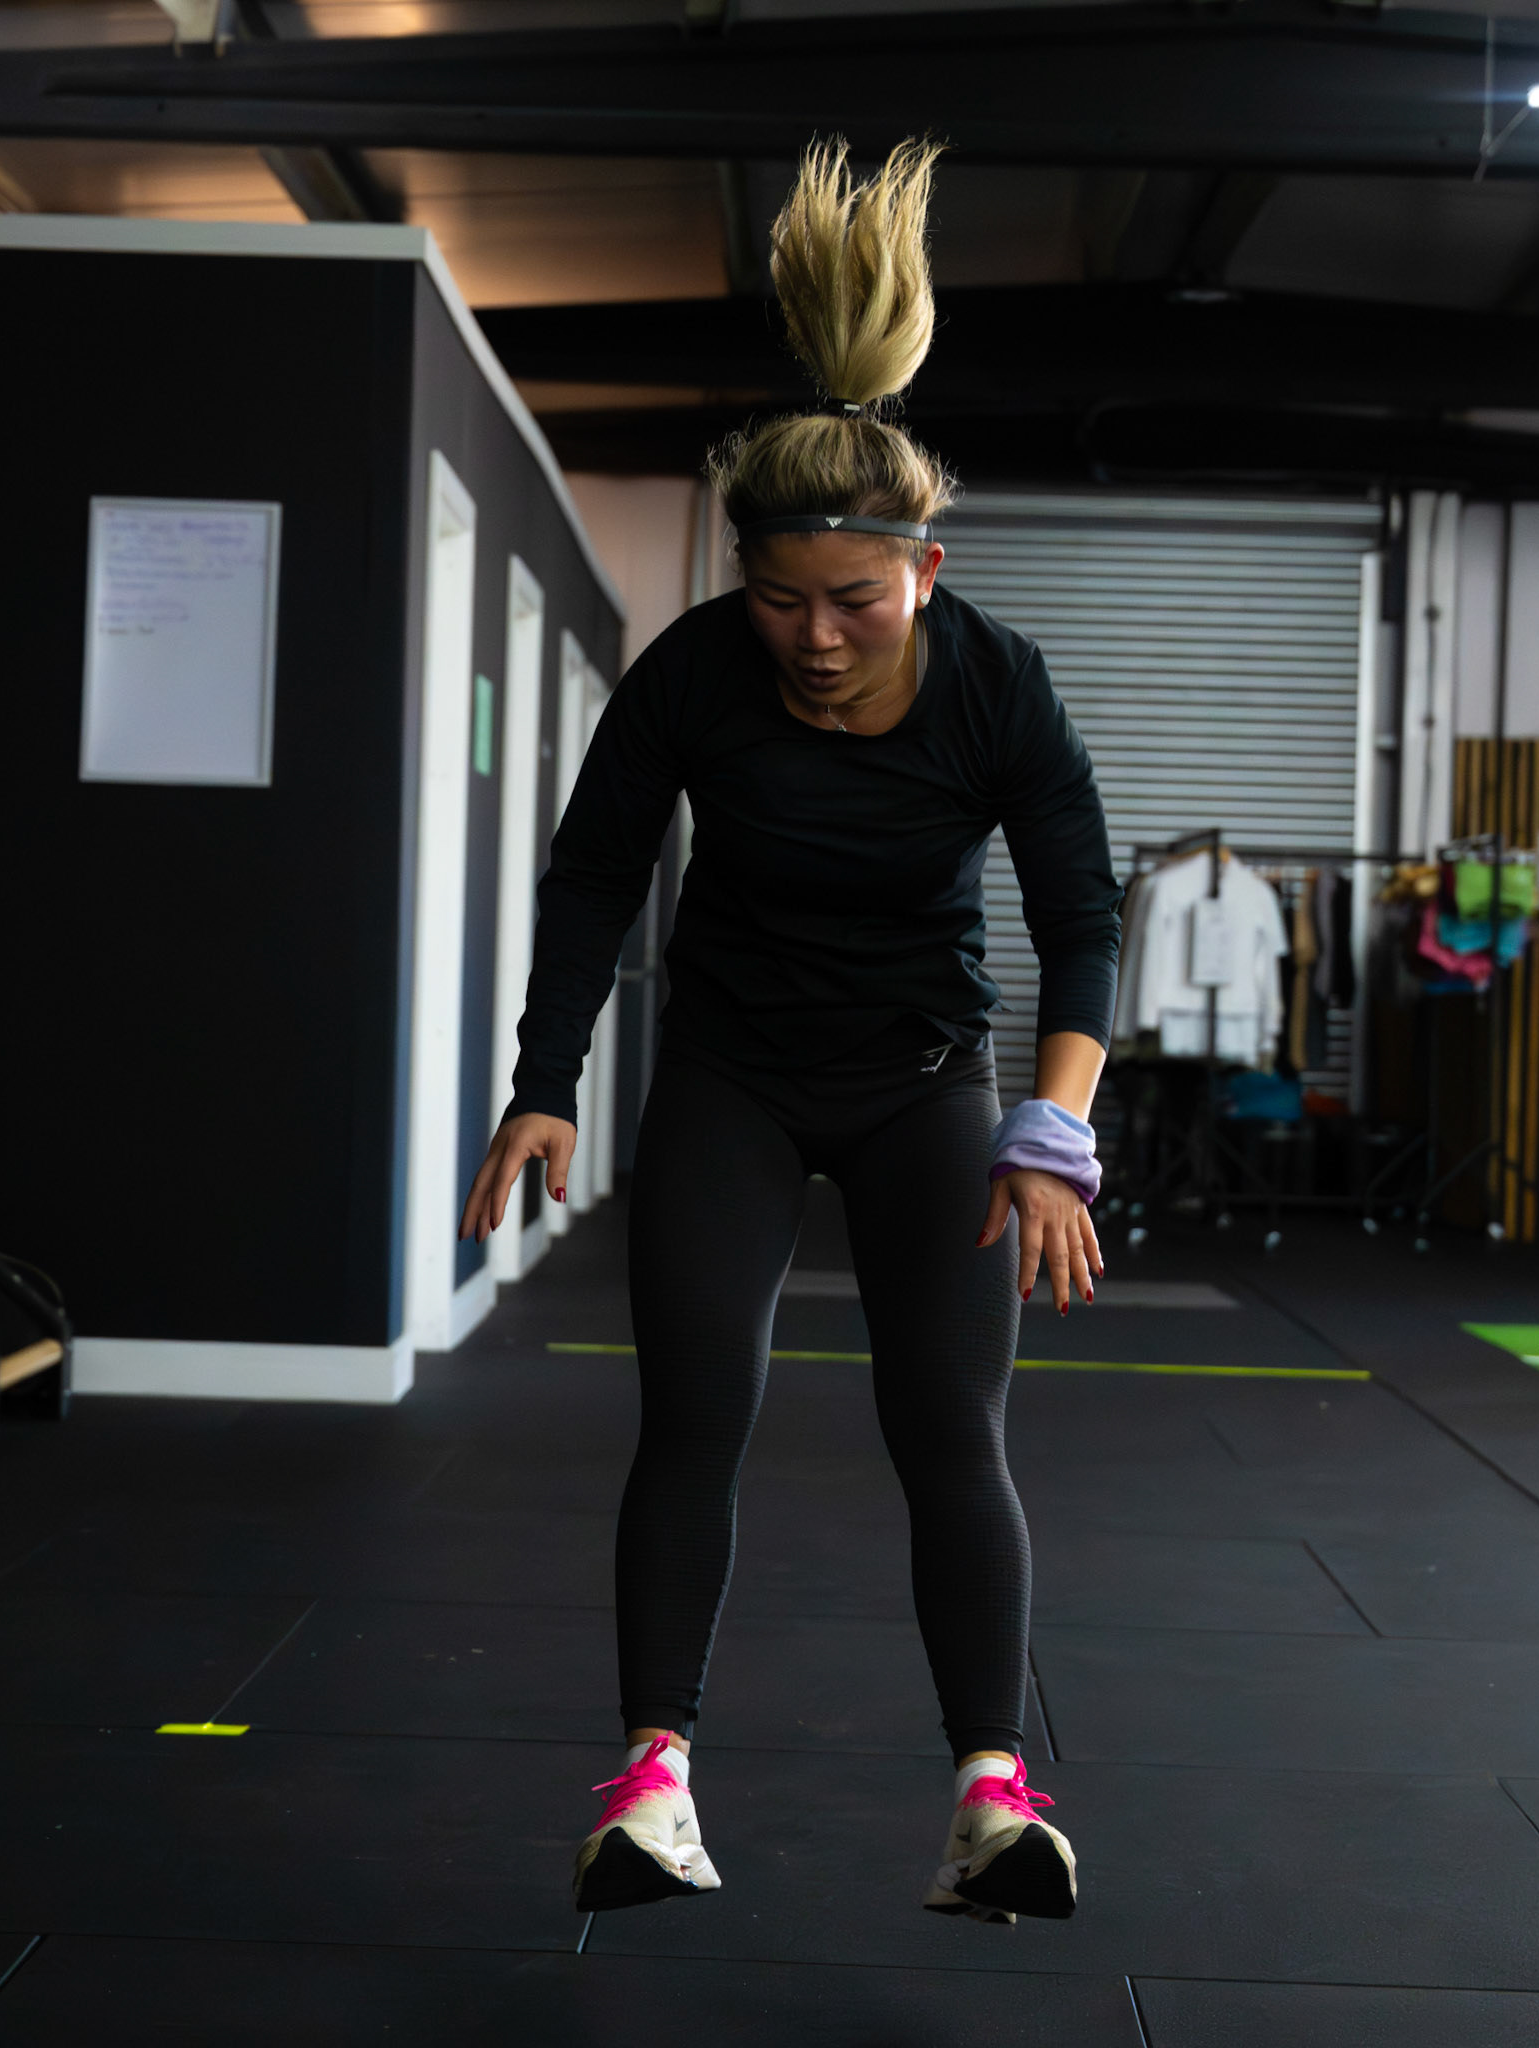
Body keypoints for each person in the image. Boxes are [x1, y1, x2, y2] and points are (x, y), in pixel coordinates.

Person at [459, 136, 1122, 1926]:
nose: (814, 640)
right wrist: (539, 1087)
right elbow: (594, 878)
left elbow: (1080, 919)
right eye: (777, 598)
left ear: (925, 568)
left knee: (948, 1428)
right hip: (733, 1077)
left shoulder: (996, 685)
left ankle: (991, 1799)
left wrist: (1050, 1131)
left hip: (924, 1084)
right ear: (736, 572)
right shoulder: (696, 670)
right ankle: (650, 1784)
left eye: (854, 602)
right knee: (695, 1414)